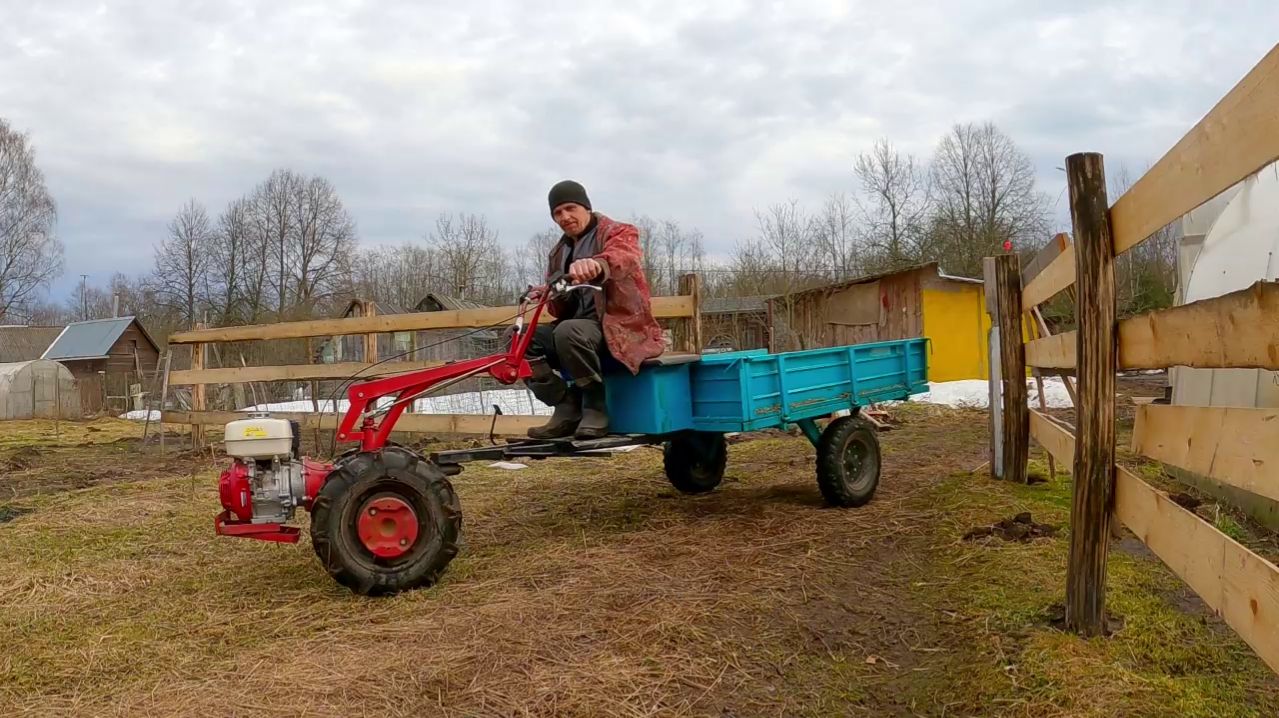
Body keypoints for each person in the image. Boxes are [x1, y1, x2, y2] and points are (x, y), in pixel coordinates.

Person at [523, 180, 664, 439]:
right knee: (519, 339)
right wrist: (549, 291)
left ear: (586, 207)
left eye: (570, 208)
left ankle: (595, 406)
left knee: (568, 331)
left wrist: (598, 264)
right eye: (557, 213)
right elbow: (558, 309)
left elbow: (624, 258)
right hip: (577, 331)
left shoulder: (618, 232)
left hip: (618, 326)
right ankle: (565, 405)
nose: (565, 217)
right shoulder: (558, 252)